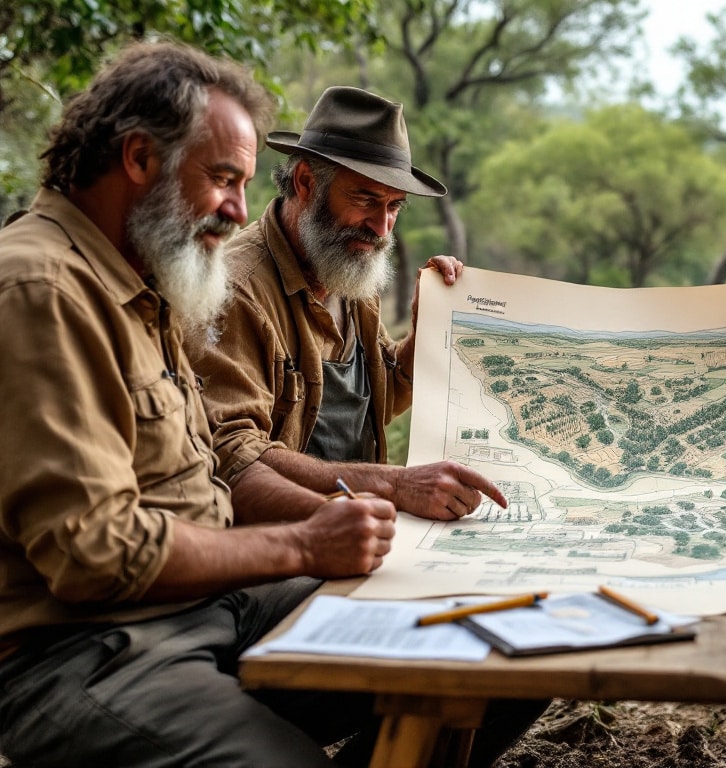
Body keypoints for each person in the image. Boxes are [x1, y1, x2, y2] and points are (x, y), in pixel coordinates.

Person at [0, 43, 537, 767]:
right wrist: (306, 543)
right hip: (86, 648)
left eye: (244, 184)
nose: (238, 211)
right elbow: (98, 553)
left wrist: (437, 332)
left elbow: (366, 394)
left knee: (507, 644)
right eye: (223, 179)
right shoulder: (43, 290)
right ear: (137, 159)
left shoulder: (149, 278)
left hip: (214, 602)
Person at [188, 85, 507, 522]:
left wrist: (427, 332)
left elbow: (379, 394)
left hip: (360, 529)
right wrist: (393, 485)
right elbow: (233, 457)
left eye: (395, 206)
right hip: (284, 545)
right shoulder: (236, 292)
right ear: (305, 182)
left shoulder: (347, 263)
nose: (382, 227)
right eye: (365, 199)